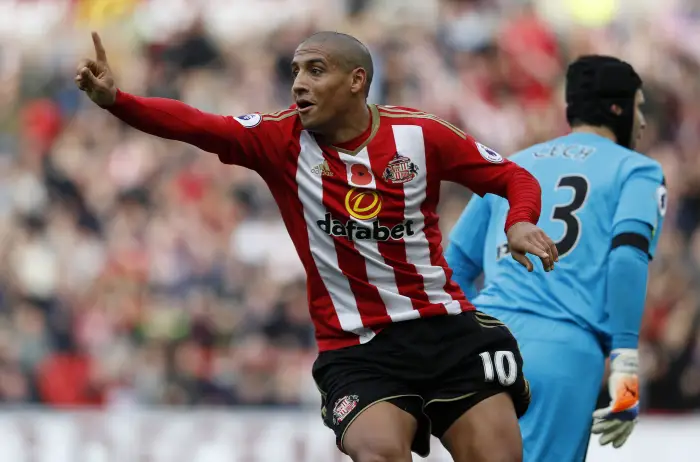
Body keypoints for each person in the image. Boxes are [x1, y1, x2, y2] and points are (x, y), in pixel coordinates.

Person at [76, 31, 559, 462]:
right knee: (379, 452)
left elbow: (513, 177)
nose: (298, 83)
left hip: (447, 332)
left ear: (356, 80)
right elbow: (197, 124)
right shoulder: (279, 139)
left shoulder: (419, 134)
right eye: (295, 71)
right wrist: (119, 101)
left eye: (315, 70)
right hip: (358, 347)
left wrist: (518, 223)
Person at [445, 55, 666, 462]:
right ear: (617, 109)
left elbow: (453, 263)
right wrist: (626, 367)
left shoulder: (513, 163)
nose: (643, 121)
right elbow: (626, 259)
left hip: (480, 346)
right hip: (562, 351)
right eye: (638, 106)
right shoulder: (637, 171)